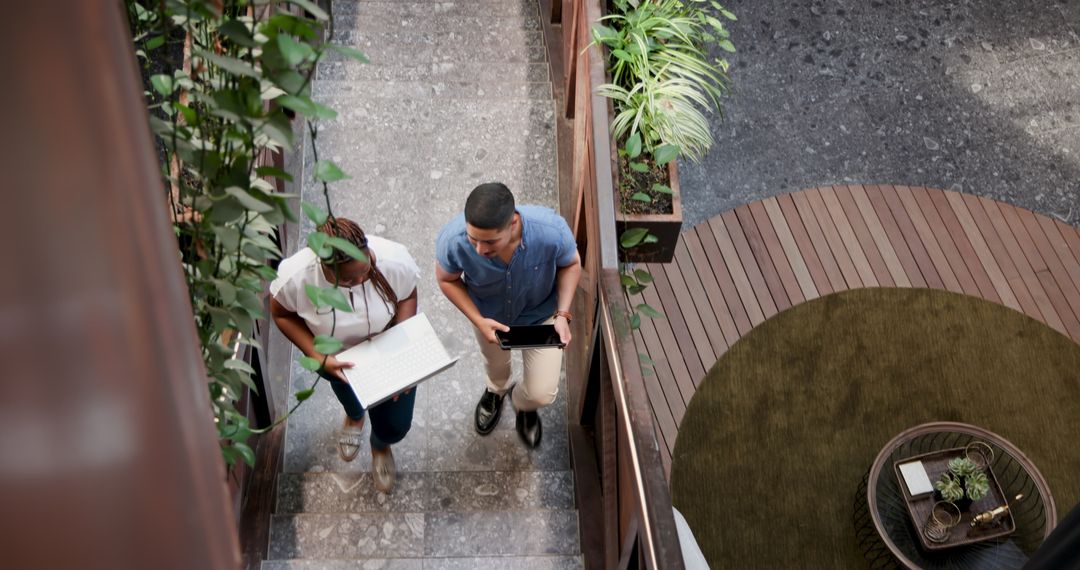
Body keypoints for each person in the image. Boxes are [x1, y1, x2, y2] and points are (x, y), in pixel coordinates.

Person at [269, 217, 420, 493]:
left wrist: (401, 351)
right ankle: (355, 416)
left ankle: (381, 445)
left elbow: (408, 295)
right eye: (348, 279)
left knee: (397, 424)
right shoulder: (297, 276)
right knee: (348, 393)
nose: (360, 280)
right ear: (323, 267)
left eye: (365, 269)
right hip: (338, 358)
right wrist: (318, 355)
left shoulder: (394, 260)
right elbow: (281, 312)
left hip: (388, 351)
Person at [435, 182, 581, 448]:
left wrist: (563, 314)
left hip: (540, 316)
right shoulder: (453, 240)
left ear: (513, 223)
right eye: (473, 239)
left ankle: (523, 403)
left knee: (542, 393)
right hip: (489, 317)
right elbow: (446, 279)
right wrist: (478, 320)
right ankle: (496, 391)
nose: (479, 249)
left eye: (490, 241)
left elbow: (571, 263)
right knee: (495, 366)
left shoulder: (550, 230)